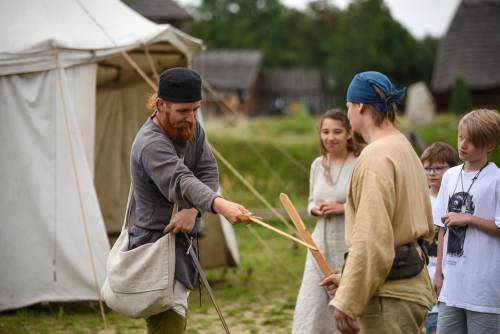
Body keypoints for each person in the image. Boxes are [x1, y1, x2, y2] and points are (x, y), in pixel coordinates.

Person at [128, 67, 250, 333]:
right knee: (168, 321)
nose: (191, 118)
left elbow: (207, 171)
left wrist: (193, 211)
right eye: (183, 111)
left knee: (176, 316)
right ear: (160, 105)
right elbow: (181, 179)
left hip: (183, 244)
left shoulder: (192, 128)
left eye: (195, 109)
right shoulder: (150, 143)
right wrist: (220, 204)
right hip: (155, 244)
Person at [324, 71, 436, 333]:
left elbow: (372, 238)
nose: (348, 112)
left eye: (348, 105)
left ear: (359, 106)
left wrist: (348, 301)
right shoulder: (403, 146)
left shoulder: (376, 157)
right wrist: (349, 278)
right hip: (408, 286)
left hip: (391, 297)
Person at [292, 110, 361, 334]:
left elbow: (369, 204)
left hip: (347, 241)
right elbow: (312, 199)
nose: (330, 137)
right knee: (312, 301)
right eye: (325, 132)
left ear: (349, 133)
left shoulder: (360, 164)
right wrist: (315, 209)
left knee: (345, 298)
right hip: (318, 242)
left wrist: (342, 208)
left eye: (337, 132)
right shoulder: (317, 165)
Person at [433, 109, 500, 334]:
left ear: (490, 145)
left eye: (471, 142)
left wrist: (469, 218)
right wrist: (439, 274)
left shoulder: (497, 180)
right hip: (451, 288)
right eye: (461, 137)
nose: (462, 145)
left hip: (484, 291)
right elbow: (442, 229)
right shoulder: (450, 176)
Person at [420, 142, 459, 334]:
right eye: (427, 167)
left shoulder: (455, 201)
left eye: (439, 167)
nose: (432, 172)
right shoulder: (419, 200)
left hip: (444, 273)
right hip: (421, 272)